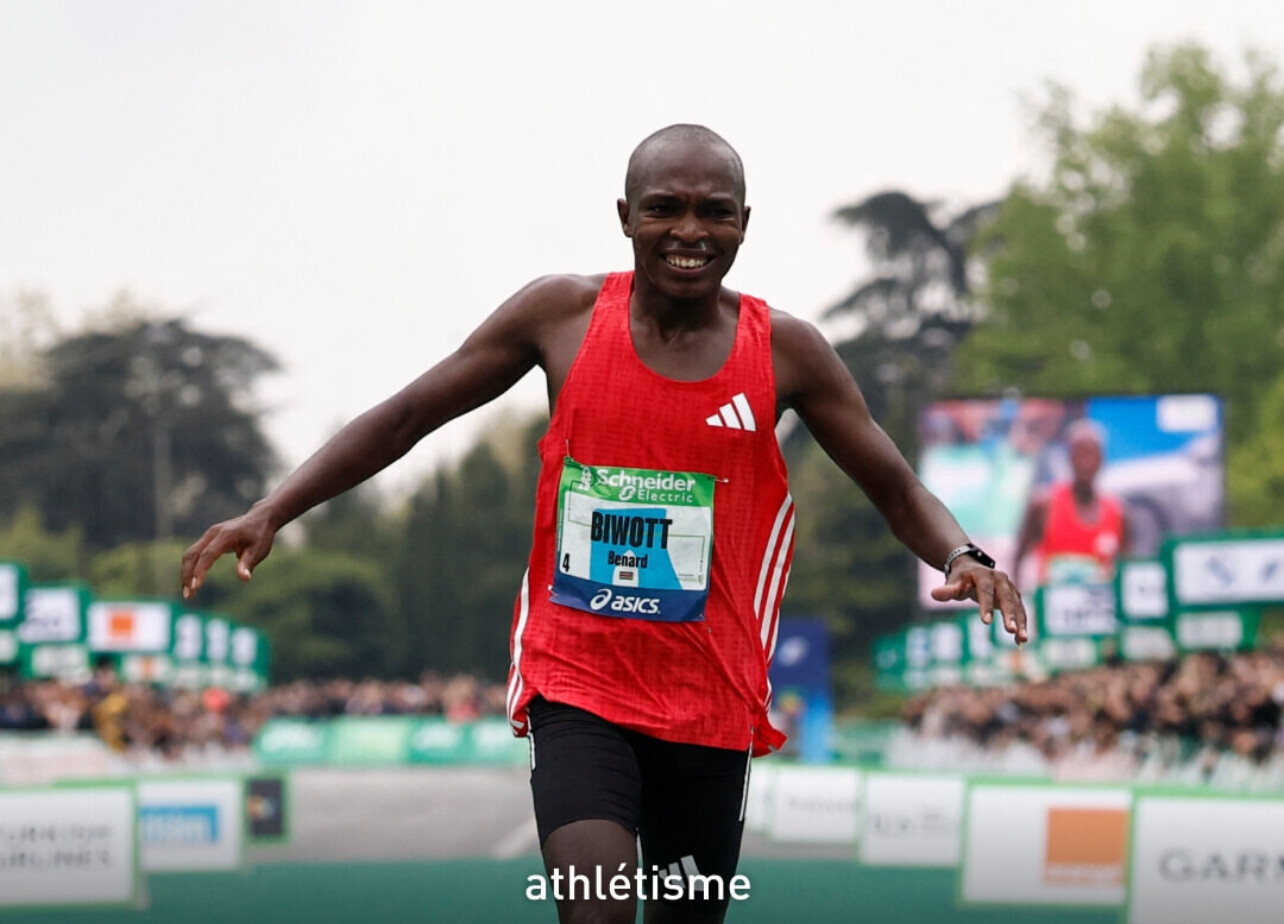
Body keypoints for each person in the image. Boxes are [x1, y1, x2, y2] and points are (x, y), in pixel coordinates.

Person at [181, 124, 1026, 924]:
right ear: (625, 216)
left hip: (711, 694)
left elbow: (894, 485)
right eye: (664, 208)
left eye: (714, 211)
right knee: (597, 906)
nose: (688, 231)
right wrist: (274, 508)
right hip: (579, 682)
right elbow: (408, 415)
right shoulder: (562, 316)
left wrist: (962, 552)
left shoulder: (785, 352)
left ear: (744, 223)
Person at [1013, 418, 1131, 586]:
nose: (1086, 463)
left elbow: (1128, 573)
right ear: (1069, 458)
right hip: (1053, 600)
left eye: (1092, 455)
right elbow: (1018, 558)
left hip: (1100, 601)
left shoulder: (1118, 513)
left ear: (1101, 459)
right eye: (1080, 454)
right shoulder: (1045, 505)